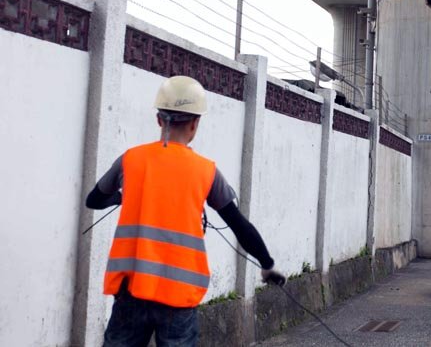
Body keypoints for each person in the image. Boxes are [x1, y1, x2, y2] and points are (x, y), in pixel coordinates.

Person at [85, 75, 286, 347]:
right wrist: (266, 264)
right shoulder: (207, 171)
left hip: (130, 292)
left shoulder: (130, 160)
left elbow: (94, 200)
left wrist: (122, 197)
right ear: (195, 124)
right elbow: (239, 225)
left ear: (159, 120)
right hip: (178, 299)